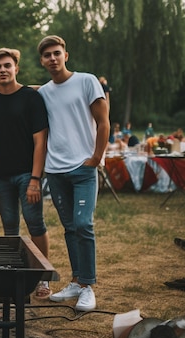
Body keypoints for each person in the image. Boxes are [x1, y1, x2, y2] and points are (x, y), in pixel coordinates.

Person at [37, 35, 110, 312]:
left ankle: (88, 286)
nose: (53, 58)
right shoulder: (43, 92)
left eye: (57, 53)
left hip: (83, 168)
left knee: (83, 224)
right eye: (47, 55)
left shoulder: (87, 81)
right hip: (55, 170)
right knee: (69, 228)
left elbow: (103, 122)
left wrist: (96, 158)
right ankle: (76, 282)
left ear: (65, 55)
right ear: (42, 61)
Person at [0, 47, 51, 299]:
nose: (3, 70)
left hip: (28, 174)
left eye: (7, 65)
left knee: (35, 224)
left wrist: (35, 179)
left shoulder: (31, 98)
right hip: (1, 176)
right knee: (9, 227)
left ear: (16, 68)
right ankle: (16, 277)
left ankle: (43, 279)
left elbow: (41, 141)